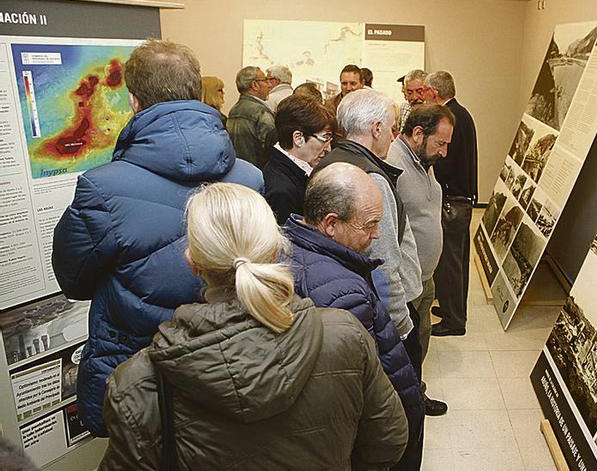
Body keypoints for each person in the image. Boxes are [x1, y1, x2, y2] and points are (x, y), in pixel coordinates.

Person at [99, 183, 407, 470]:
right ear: (276, 251)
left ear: (192, 262)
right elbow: (388, 441)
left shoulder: (139, 383)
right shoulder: (344, 335)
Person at [51, 39, 264, 436]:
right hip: (230, 366)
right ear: (195, 90)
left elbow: (73, 280)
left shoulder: (102, 188)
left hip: (139, 373)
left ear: (134, 101)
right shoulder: (250, 179)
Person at [284, 163, 425, 470]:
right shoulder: (344, 293)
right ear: (331, 223)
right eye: (370, 225)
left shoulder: (288, 245)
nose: (376, 235)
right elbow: (363, 389)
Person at [313, 88, 423, 386]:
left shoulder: (331, 164)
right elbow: (382, 261)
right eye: (391, 128)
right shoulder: (369, 180)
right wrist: (401, 325)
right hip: (382, 313)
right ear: (376, 128)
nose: (394, 136)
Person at [387, 104, 455, 417]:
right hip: (406, 280)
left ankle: (415, 392)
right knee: (406, 348)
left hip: (425, 277)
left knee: (420, 341)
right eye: (440, 143)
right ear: (417, 134)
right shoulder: (394, 162)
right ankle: (404, 403)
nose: (443, 152)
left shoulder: (423, 160)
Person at [424, 70, 478, 337]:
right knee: (457, 262)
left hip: (452, 201)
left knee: (450, 264)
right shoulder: (461, 114)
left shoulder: (451, 118)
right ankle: (452, 310)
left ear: (434, 92)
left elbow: (446, 162)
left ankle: (455, 320)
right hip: (462, 199)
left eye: (424, 91)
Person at [263, 94, 334, 224]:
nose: (328, 149)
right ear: (298, 138)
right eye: (324, 139)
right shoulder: (282, 192)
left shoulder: (292, 170)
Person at [227, 66, 275, 168]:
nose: (269, 85)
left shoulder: (233, 110)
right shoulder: (261, 112)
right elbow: (271, 148)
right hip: (258, 173)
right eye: (265, 80)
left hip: (237, 171)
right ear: (254, 85)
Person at [396, 69, 427, 133]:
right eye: (409, 93)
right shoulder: (404, 108)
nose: (414, 97)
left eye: (420, 92)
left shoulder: (437, 112)